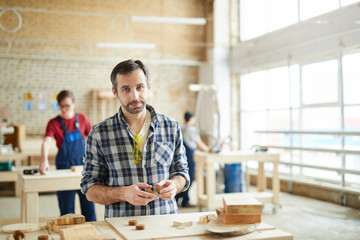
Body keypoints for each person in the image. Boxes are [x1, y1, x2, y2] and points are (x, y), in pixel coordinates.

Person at [80, 59, 190, 218]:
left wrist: (175, 185)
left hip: (166, 224)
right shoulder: (99, 133)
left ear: (149, 87)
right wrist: (123, 193)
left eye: (140, 87)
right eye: (125, 89)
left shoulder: (171, 127)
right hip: (122, 228)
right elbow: (90, 189)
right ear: (115, 92)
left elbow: (182, 173)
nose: (134, 96)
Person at [39, 90, 96, 222]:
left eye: (67, 106)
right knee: (66, 210)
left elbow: (91, 138)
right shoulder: (53, 123)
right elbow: (46, 141)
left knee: (89, 206)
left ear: (74, 104)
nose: (64, 109)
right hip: (64, 167)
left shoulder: (82, 119)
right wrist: (44, 160)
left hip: (83, 168)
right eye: (61, 106)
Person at [176, 111, 210, 208]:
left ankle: (179, 199)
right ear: (191, 119)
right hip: (190, 156)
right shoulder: (192, 130)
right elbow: (198, 143)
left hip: (182, 155)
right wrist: (208, 150)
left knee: (181, 176)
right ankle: (185, 201)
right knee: (188, 178)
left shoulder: (181, 129)